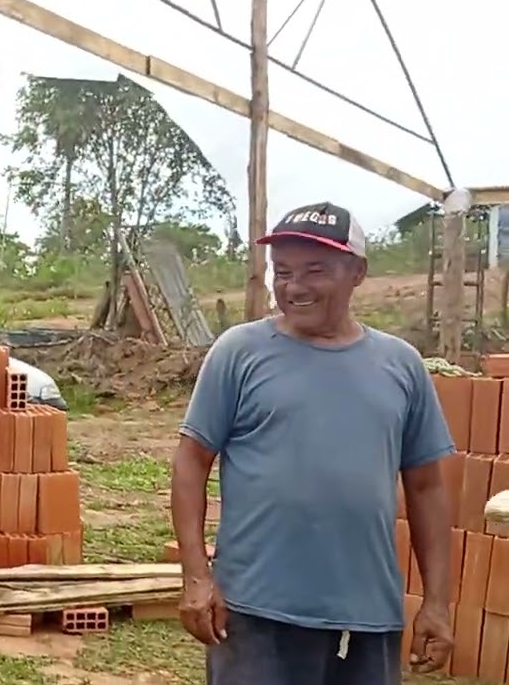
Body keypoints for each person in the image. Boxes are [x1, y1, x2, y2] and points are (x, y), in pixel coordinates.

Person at [171, 202, 455, 685]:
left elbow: (427, 487)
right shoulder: (239, 353)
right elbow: (191, 462)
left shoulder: (402, 366)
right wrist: (197, 576)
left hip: (367, 615)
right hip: (256, 613)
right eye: (282, 272)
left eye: (314, 270)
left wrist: (437, 603)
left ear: (358, 272)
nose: (294, 287)